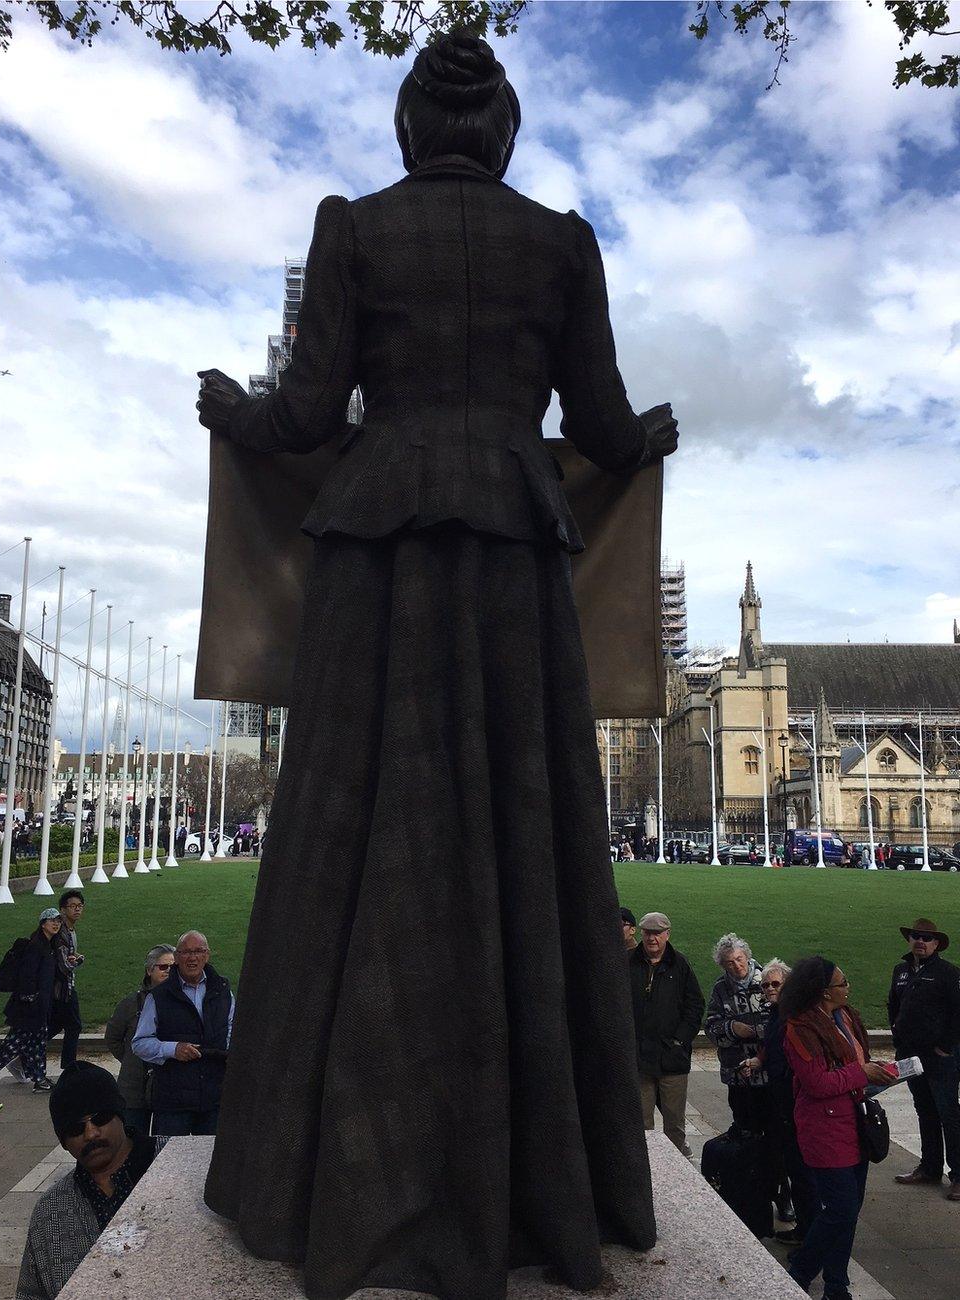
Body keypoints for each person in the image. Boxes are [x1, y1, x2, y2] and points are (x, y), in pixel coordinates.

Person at [196, 30, 678, 1300]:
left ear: (411, 126)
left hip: (380, 559)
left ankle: (328, 1174)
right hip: (514, 563)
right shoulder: (562, 241)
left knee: (354, 829)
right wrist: (653, 435)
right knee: (527, 829)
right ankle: (530, 1179)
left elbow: (304, 416)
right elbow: (607, 425)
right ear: (505, 129)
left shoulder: (350, 228)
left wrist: (226, 411)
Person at [781, 956, 893, 1299]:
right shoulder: (800, 1028)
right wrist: (863, 1074)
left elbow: (858, 1064)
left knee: (848, 1211)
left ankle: (835, 1283)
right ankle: (801, 1268)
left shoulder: (846, 1017)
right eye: (842, 984)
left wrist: (881, 1072)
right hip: (825, 1129)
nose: (848, 988)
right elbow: (816, 1083)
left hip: (855, 1122)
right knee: (841, 1208)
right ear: (823, 992)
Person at [15, 1062, 168, 1299]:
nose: (91, 1133)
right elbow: (30, 1294)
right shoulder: (50, 1213)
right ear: (63, 1141)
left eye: (101, 1118)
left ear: (120, 1114)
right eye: (76, 1129)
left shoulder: (175, 1166)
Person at [132, 930, 233, 1136]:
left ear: (207, 955)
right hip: (173, 1103)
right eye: (186, 952)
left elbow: (233, 1029)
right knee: (169, 1163)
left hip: (214, 1099)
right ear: (177, 957)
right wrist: (173, 1049)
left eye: (198, 951)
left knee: (210, 1164)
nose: (192, 957)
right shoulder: (159, 996)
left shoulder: (223, 991)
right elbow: (140, 1043)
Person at [887, 917, 960, 1200]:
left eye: (927, 938)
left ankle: (958, 1175)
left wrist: (945, 1045)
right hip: (910, 1053)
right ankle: (930, 1167)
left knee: (948, 1113)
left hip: (939, 1056)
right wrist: (897, 1035)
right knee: (924, 1109)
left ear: (937, 944)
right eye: (916, 936)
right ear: (909, 940)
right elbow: (894, 1004)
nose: (921, 941)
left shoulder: (948, 973)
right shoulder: (901, 971)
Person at [628, 911, 704, 1157]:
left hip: (672, 1058)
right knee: (641, 1123)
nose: (652, 938)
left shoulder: (680, 965)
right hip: (639, 1057)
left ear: (667, 935)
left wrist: (680, 1040)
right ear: (641, 934)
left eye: (657, 933)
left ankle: (677, 1169)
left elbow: (695, 1006)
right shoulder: (628, 961)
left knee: (674, 1125)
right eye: (648, 933)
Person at [759, 958, 819, 1245]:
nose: (769, 989)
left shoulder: (792, 1018)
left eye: (775, 984)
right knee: (795, 1170)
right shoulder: (777, 1014)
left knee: (803, 1173)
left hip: (794, 1105)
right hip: (782, 1105)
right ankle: (805, 1227)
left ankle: (810, 1234)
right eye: (765, 985)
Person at [0, 908, 60, 1100]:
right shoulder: (36, 946)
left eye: (58, 920)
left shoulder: (48, 946)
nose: (56, 924)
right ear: (43, 923)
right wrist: (32, 998)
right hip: (28, 1009)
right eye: (52, 920)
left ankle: (40, 1078)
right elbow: (27, 976)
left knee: (37, 1044)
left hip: (38, 1007)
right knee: (12, 1045)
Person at [104, 945, 176, 1135]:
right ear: (149, 970)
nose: (169, 971)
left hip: (169, 1088)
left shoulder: (183, 1003)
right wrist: (131, 1058)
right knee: (133, 1144)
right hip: (134, 1088)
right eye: (163, 967)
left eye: (173, 967)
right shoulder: (130, 1004)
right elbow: (113, 1038)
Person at [704, 933, 772, 1133]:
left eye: (739, 959)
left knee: (772, 1128)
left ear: (747, 957)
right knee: (744, 1127)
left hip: (769, 1072)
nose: (737, 965)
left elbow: (783, 1021)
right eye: (729, 962)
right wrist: (732, 1028)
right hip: (738, 1074)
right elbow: (710, 1027)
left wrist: (758, 1031)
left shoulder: (768, 981)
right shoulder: (720, 989)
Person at [47, 890, 84, 1071]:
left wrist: (76, 957)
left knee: (57, 1024)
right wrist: (75, 961)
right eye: (72, 906)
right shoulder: (61, 932)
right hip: (62, 987)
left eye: (79, 906)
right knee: (74, 1026)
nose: (77, 910)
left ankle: (24, 1054)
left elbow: (68, 955)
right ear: (63, 910)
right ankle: (69, 1067)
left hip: (63, 986)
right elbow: (63, 966)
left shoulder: (69, 930)